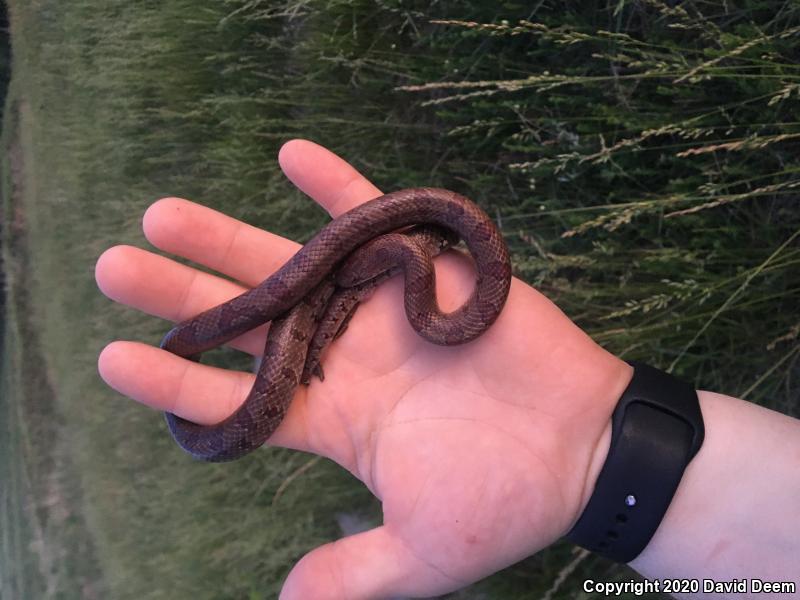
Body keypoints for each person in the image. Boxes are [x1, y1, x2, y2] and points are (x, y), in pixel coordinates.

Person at [95, 139, 800, 599]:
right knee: (295, 303)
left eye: (348, 280)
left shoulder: (426, 292)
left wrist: (595, 454)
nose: (338, 287)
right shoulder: (420, 273)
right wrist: (598, 455)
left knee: (318, 289)